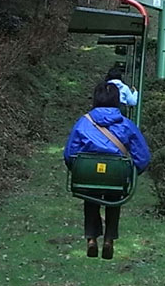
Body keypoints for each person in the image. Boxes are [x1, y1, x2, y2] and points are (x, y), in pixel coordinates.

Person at [63, 82, 151, 259]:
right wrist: (134, 172)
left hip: (88, 175)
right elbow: (142, 155)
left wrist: (76, 168)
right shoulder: (126, 125)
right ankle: (109, 239)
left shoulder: (83, 123)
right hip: (116, 176)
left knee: (90, 198)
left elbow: (70, 152)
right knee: (114, 197)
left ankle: (91, 238)